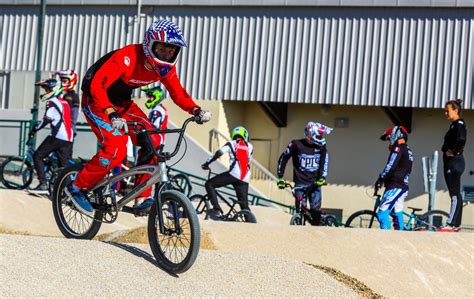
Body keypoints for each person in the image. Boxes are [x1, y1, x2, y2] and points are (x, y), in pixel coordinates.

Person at [67, 19, 212, 216]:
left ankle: (141, 197)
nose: (168, 53)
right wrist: (111, 112)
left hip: (123, 104)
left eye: (172, 50)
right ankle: (76, 187)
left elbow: (178, 93)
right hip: (97, 102)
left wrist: (196, 110)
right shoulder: (126, 57)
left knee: (153, 140)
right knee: (115, 150)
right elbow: (97, 87)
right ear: (149, 44)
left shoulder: (166, 67)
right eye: (163, 48)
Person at [276, 121, 332, 225]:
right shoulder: (296, 145)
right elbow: (283, 158)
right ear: (311, 134)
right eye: (319, 136)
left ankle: (318, 232)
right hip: (300, 184)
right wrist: (280, 177)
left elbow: (325, 161)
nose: (321, 138)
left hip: (315, 184)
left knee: (315, 213)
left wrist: (322, 178)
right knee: (300, 211)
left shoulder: (321, 147)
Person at [28, 79, 74, 195]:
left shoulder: (52, 102)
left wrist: (34, 129)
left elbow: (46, 120)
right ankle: (72, 192)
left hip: (57, 136)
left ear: (54, 90)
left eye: (47, 89)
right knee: (64, 167)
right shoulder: (64, 103)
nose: (45, 92)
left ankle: (43, 184)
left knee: (37, 155)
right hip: (68, 138)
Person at [201, 126, 253, 219]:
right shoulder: (250, 146)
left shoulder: (231, 143)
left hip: (233, 174)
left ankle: (216, 209)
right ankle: (251, 223)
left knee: (209, 184)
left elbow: (219, 153)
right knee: (244, 205)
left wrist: (207, 163)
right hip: (245, 178)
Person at [375, 125, 413, 230]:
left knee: (382, 214)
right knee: (397, 214)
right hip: (402, 186)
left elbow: (391, 165)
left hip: (395, 186)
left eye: (389, 137)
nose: (389, 141)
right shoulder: (408, 150)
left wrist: (381, 178)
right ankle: (399, 239)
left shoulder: (398, 148)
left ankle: (385, 239)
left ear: (395, 134)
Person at [441, 99, 467, 231]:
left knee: (454, 194)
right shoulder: (454, 125)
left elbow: (461, 139)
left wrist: (454, 152)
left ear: (455, 110)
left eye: (447, 110)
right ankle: (456, 224)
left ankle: (451, 223)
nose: (445, 113)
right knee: (456, 194)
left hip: (455, 162)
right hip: (452, 162)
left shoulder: (459, 124)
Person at [56, 70, 80, 136]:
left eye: (64, 81)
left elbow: (74, 114)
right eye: (62, 81)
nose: (62, 83)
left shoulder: (73, 95)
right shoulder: (61, 94)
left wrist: (71, 129)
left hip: (68, 129)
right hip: (59, 127)